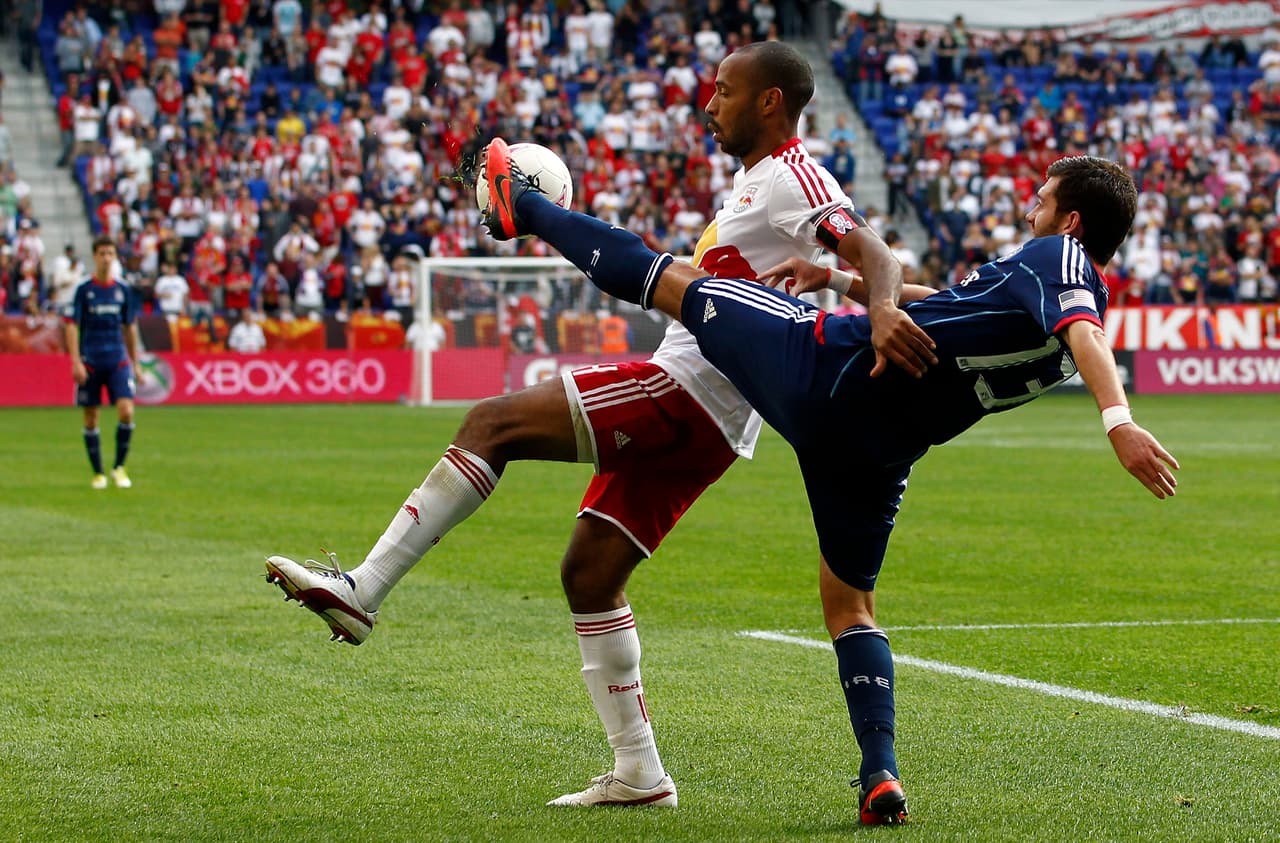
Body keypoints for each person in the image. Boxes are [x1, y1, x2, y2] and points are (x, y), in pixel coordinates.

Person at [263, 41, 932, 816]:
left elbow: (874, 247)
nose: (708, 105)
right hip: (713, 416)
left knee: (492, 422)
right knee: (589, 572)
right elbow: (834, 262)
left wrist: (877, 303)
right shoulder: (758, 187)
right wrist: (842, 282)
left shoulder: (793, 176)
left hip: (685, 391)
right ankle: (639, 771)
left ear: (771, 102)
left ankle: (363, 590)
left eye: (724, 91)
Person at [465, 143, 1178, 824]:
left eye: (1044, 200)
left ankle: (523, 207)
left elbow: (1087, 333)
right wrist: (838, 279)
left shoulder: (1061, 259)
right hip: (882, 449)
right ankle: (880, 773)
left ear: (1072, 221)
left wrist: (1118, 421)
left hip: (834, 374)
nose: (1032, 210)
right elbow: (956, 304)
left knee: (677, 281)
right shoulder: (1051, 289)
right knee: (849, 605)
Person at [65, 237, 138, 490]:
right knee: (90, 416)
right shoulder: (84, 290)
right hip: (91, 360)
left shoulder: (123, 290)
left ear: (115, 256)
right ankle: (98, 472)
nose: (107, 258)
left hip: (117, 359)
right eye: (102, 253)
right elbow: (72, 326)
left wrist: (135, 363)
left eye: (110, 253)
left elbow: (129, 328)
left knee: (127, 411)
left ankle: (119, 467)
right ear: (95, 256)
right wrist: (76, 362)